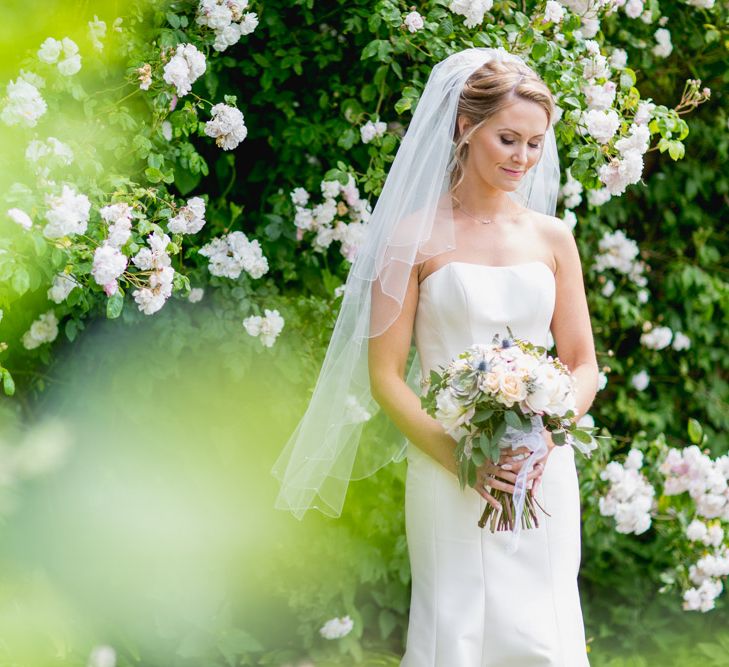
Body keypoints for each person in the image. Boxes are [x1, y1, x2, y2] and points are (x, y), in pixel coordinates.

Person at [272, 47, 598, 666]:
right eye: (507, 138)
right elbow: (385, 376)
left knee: (545, 637)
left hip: (543, 472)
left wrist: (546, 437)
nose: (522, 158)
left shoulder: (554, 239)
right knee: (456, 636)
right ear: (464, 127)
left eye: (534, 143)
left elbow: (582, 361)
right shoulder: (409, 237)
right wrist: (463, 462)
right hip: (446, 467)